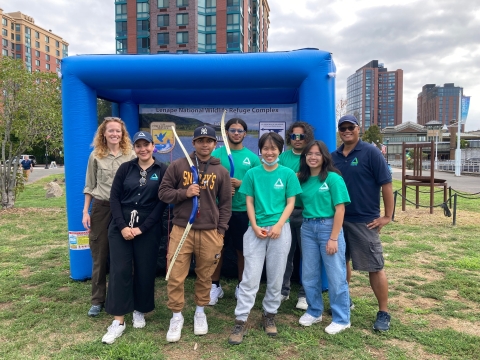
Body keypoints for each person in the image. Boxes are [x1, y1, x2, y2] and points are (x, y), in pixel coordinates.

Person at [158, 125, 231, 343]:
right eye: (201, 140)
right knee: (175, 273)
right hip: (182, 229)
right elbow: (163, 192)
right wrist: (184, 192)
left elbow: (226, 204)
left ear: (215, 144)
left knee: (205, 274)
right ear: (194, 143)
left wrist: (221, 231)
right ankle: (177, 315)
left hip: (210, 232)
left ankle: (200, 312)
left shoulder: (221, 171)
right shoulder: (179, 165)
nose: (205, 144)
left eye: (209, 140)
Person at [228, 132, 302, 345]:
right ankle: (240, 320)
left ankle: (269, 315)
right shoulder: (252, 173)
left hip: (281, 229)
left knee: (276, 275)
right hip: (256, 229)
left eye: (274, 148)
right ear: (261, 150)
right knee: (250, 277)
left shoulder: (288, 173)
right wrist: (254, 224)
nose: (269, 153)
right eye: (266, 149)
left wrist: (278, 225)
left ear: (280, 150)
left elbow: (290, 203)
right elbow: (249, 201)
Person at [101, 131, 168, 344]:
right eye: (138, 145)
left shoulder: (163, 169)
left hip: (148, 226)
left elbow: (162, 203)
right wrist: (122, 226)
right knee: (120, 270)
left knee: (145, 269)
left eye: (146, 145)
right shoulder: (126, 168)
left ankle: (140, 308)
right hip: (121, 225)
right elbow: (114, 198)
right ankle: (118, 320)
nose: (143, 149)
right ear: (134, 148)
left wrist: (142, 228)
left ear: (152, 146)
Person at [331, 115, 393, 332]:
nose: (346, 131)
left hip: (364, 220)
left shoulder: (371, 152)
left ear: (359, 129)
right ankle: (345, 301)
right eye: (342, 128)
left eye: (351, 127)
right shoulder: (334, 156)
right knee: (341, 264)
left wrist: (387, 216)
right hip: (338, 219)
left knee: (374, 267)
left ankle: (383, 312)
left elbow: (386, 184)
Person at [82, 117, 136, 317]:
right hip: (102, 208)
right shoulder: (96, 156)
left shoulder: (130, 155)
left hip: (125, 209)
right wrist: (85, 211)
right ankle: (97, 299)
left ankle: (124, 296)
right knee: (100, 254)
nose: (114, 134)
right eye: (111, 131)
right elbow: (90, 185)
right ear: (103, 134)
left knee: (125, 256)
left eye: (118, 131)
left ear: (123, 135)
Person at [297, 140, 351, 334]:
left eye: (317, 154)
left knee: (336, 275)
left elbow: (340, 209)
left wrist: (334, 238)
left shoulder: (333, 178)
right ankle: (314, 311)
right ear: (304, 157)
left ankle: (342, 318)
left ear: (324, 157)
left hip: (329, 227)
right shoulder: (301, 179)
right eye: (309, 154)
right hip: (307, 227)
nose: (313, 157)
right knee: (309, 273)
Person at [209, 118, 261, 304]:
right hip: (219, 210)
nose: (236, 133)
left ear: (245, 134)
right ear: (227, 133)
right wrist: (221, 188)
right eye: (233, 130)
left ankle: (242, 285)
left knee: (243, 250)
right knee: (217, 250)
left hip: (242, 211)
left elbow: (260, 186)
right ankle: (214, 286)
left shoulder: (253, 158)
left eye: (240, 131)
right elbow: (207, 180)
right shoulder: (216, 154)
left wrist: (241, 184)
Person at [279, 121, 314, 310]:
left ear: (307, 137)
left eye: (301, 136)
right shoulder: (283, 157)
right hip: (285, 212)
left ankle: (304, 294)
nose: (298, 139)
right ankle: (283, 290)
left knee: (307, 256)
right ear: (289, 138)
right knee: (285, 254)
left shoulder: (312, 156)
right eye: (294, 136)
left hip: (307, 212)